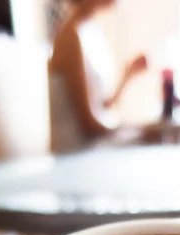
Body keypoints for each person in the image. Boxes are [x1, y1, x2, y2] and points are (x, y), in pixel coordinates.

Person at [49, 0, 149, 153]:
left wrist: (127, 76)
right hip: (78, 152)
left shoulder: (92, 32)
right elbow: (89, 125)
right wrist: (134, 130)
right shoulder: (70, 36)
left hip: (94, 143)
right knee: (152, 140)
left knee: (154, 137)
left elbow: (102, 106)